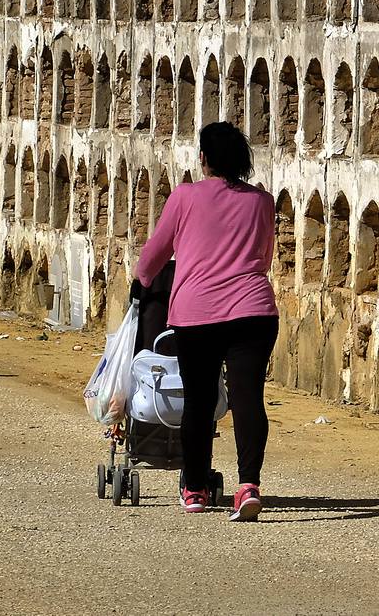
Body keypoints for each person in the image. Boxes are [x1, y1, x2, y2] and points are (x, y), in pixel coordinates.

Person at [134, 122, 278, 522]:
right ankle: (248, 485)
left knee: (198, 401)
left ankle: (194, 488)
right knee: (248, 398)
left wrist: (142, 279)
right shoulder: (262, 202)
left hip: (197, 315)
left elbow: (156, 253)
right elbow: (263, 256)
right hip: (254, 311)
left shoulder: (185, 197)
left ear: (203, 159)